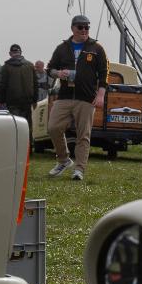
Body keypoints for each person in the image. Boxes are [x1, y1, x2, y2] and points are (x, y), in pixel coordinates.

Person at [46, 14, 108, 181]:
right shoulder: (62, 48)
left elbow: (104, 74)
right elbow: (50, 69)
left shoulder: (97, 48)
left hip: (86, 98)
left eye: (87, 27)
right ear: (73, 28)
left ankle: (79, 170)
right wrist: (58, 73)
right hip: (64, 96)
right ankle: (64, 160)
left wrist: (101, 95)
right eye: (80, 27)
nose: (84, 30)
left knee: (83, 135)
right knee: (53, 128)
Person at [1, 43, 37, 135]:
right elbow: (35, 83)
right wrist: (35, 100)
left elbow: (2, 85)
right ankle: (28, 143)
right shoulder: (30, 65)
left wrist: (1, 100)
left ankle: (16, 143)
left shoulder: (5, 67)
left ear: (10, 53)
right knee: (27, 127)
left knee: (15, 126)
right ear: (20, 52)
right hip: (27, 101)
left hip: (12, 102)